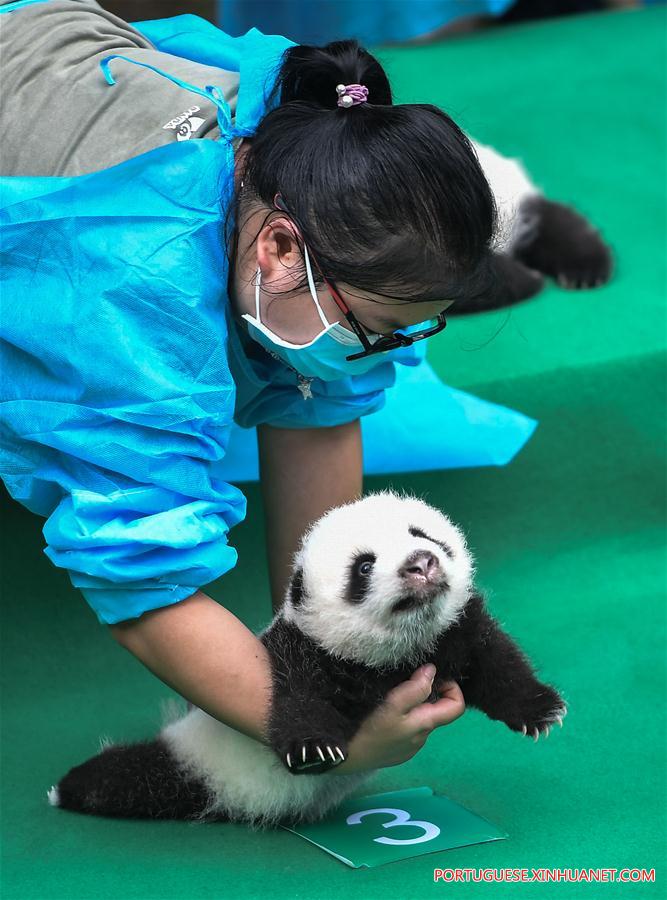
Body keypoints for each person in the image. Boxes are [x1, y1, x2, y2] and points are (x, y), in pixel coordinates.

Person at [1, 0, 542, 777]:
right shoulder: (128, 286)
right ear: (280, 246)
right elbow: (138, 574)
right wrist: (318, 726)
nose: (385, 355)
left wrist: (326, 646)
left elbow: (318, 405)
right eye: (381, 327)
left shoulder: (321, 126)